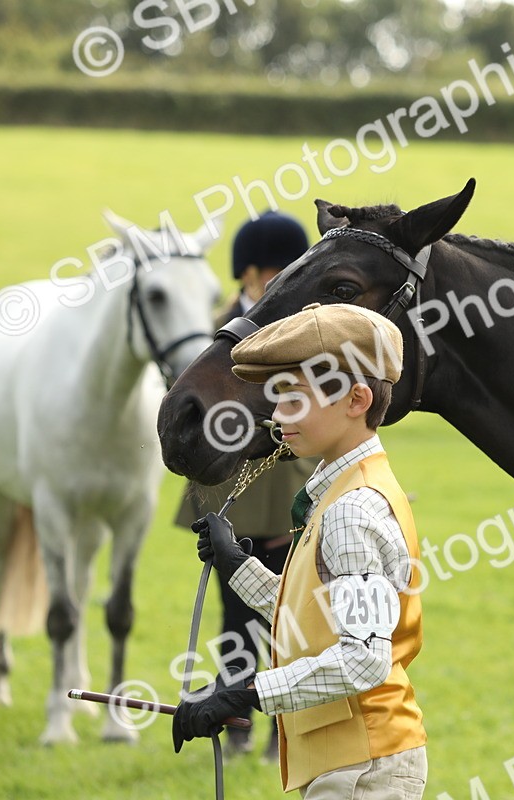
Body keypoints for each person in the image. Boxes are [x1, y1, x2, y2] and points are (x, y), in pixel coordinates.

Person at [174, 303, 427, 799]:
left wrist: (247, 692)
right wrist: (237, 567)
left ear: (356, 399)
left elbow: (363, 660)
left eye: (295, 400)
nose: (278, 416)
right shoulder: (337, 488)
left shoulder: (352, 510)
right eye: (278, 399)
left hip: (364, 769)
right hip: (350, 762)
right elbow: (318, 616)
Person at [173, 210, 320, 761]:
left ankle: (284, 725)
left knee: (290, 614)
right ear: (249, 274)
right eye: (272, 272)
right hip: (228, 498)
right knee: (235, 618)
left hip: (286, 499)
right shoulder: (222, 332)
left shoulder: (299, 332)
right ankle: (237, 725)